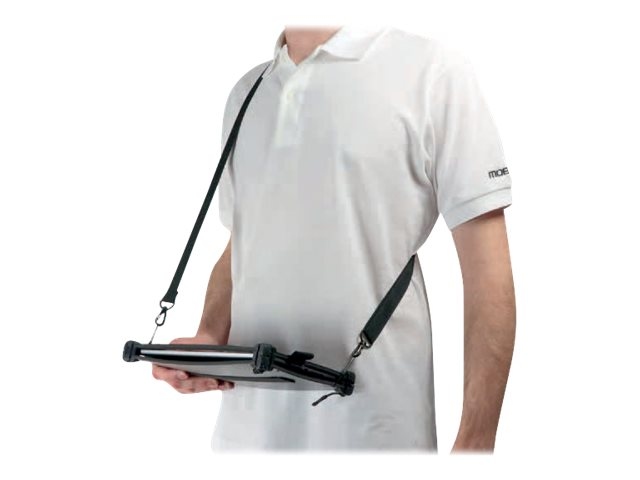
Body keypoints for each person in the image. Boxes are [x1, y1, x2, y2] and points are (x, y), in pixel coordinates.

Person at [152, 24, 516, 453]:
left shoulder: (432, 71)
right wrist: (209, 338)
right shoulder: (248, 92)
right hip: (244, 435)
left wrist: (476, 443)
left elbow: (486, 271)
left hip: (375, 432)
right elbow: (244, 242)